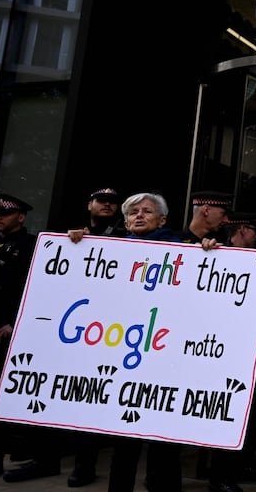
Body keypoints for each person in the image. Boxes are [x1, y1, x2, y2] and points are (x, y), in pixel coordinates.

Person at [69, 192, 188, 492]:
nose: (139, 216)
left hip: (160, 354)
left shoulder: (180, 249)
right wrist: (79, 243)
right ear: (124, 220)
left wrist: (209, 250)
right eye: (133, 212)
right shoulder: (112, 249)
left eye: (147, 211)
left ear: (162, 220)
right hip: (121, 356)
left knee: (161, 436)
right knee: (123, 438)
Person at [65, 187, 127, 488]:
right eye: (101, 201)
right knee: (85, 400)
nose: (107, 206)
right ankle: (83, 465)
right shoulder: (76, 232)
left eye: (112, 203)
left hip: (116, 329)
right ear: (89, 203)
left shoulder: (127, 234)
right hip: (83, 327)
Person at [205, 211, 256, 492]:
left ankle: (239, 466)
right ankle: (220, 477)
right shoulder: (218, 255)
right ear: (242, 230)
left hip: (247, 348)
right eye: (254, 229)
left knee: (247, 412)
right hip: (221, 350)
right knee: (225, 413)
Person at [0, 194, 39, 479]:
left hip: (6, 329)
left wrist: (14, 322)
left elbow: (31, 287)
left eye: (6, 214)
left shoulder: (30, 245)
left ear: (21, 217)